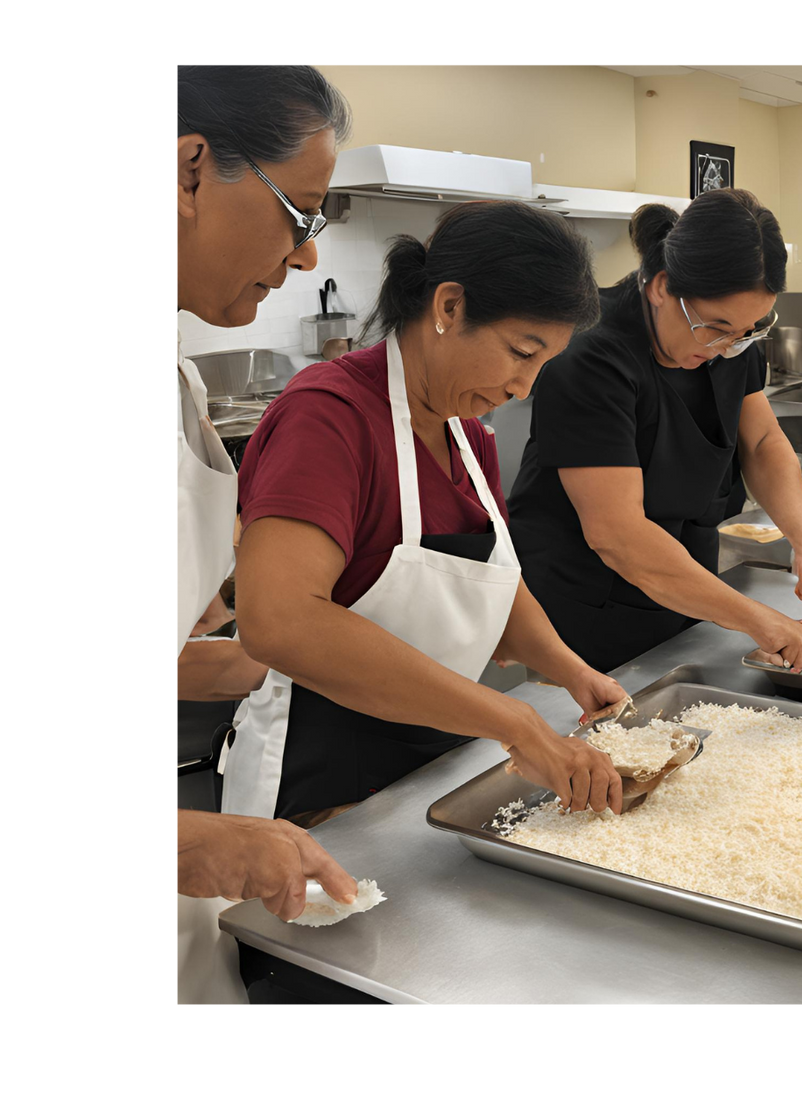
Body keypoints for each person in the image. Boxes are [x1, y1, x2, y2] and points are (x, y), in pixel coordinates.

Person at [221, 201, 626, 828]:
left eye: (543, 364)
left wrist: (571, 671)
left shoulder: (470, 437)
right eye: (522, 352)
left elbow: (487, 591)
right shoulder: (329, 416)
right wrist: (514, 722)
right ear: (449, 306)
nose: (525, 387)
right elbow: (278, 621)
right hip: (324, 793)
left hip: (435, 773)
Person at [173, 61, 357, 1007]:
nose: (307, 258)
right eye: (303, 214)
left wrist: (199, 661)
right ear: (191, 170)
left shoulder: (185, 383)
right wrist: (194, 837)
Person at [508, 191, 802, 673]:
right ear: (662, 286)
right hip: (591, 598)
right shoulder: (590, 356)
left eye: (747, 331)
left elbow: (764, 443)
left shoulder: (729, 340)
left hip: (688, 579)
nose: (727, 345)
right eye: (716, 327)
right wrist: (753, 618)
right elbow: (617, 535)